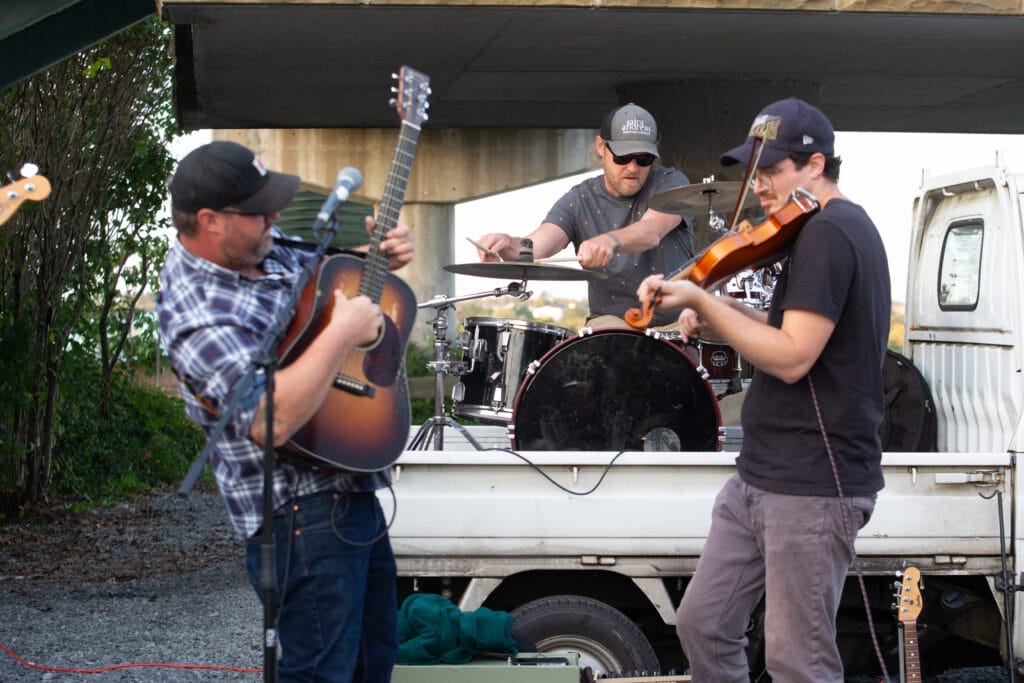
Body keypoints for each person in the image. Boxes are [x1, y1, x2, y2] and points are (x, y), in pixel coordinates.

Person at [637, 98, 890, 682]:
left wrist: (702, 298)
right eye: (759, 172)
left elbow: (795, 356)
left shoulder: (833, 232)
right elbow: (789, 330)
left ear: (815, 164)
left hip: (811, 483)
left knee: (797, 662)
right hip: (761, 474)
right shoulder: (812, 231)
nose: (760, 188)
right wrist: (718, 304)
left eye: (773, 171)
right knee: (702, 624)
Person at [157, 140, 414, 682]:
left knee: (375, 666)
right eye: (258, 211)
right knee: (320, 673)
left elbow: (339, 278)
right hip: (297, 516)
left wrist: (379, 261)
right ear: (210, 221)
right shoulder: (195, 311)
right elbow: (268, 421)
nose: (274, 218)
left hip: (357, 486)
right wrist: (343, 330)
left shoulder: (261, 247)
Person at [476, 102, 693, 329]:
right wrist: (506, 244)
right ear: (601, 146)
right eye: (622, 157)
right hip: (610, 324)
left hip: (673, 325)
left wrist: (609, 241)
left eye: (643, 159)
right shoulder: (579, 199)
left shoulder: (672, 183)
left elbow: (652, 231)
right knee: (601, 344)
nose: (632, 167)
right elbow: (534, 249)